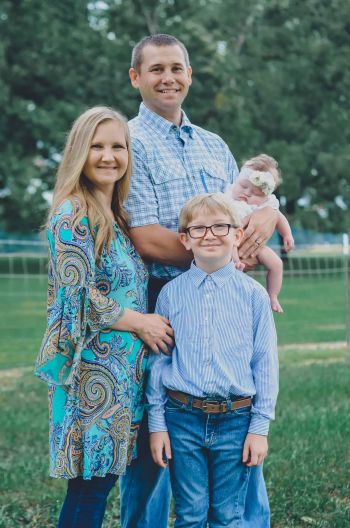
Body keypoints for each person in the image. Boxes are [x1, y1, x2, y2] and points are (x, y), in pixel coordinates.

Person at [121, 34, 277, 528]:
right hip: (161, 298)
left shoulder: (215, 145)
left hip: (229, 296)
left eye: (177, 68)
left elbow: (243, 209)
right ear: (136, 78)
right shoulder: (129, 142)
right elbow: (145, 236)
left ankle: (243, 522)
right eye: (156, 69)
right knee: (161, 435)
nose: (168, 78)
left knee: (234, 406)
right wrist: (217, 252)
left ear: (190, 74)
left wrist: (267, 218)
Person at [35, 106, 173, 528]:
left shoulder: (116, 215)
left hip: (123, 381)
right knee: (89, 491)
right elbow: (75, 296)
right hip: (92, 378)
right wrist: (140, 322)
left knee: (100, 486)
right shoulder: (72, 214)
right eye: (97, 146)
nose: (109, 156)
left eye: (118, 146)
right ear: (80, 151)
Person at [147, 193, 279, 526]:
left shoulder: (253, 295)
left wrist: (259, 428)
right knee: (190, 514)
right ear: (185, 239)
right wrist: (158, 424)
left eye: (220, 226)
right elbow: (159, 363)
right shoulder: (170, 294)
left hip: (237, 419)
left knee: (227, 514)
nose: (209, 234)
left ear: (237, 235)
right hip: (182, 418)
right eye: (199, 228)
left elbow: (265, 362)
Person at [226, 153, 294, 312]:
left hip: (257, 246)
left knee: (277, 264)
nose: (247, 193)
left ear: (266, 195)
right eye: (243, 186)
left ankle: (273, 296)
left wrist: (287, 235)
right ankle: (235, 264)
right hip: (230, 240)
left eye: (256, 193)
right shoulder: (227, 198)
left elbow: (278, 217)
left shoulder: (267, 204)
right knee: (230, 240)